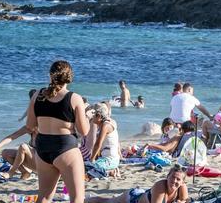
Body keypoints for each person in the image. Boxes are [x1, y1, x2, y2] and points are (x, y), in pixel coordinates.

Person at [28, 60, 90, 203]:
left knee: (44, 197)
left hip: (43, 147)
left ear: (50, 75)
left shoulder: (37, 95)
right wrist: (87, 116)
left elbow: (30, 125)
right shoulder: (74, 98)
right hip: (65, 148)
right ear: (69, 77)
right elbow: (84, 131)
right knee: (77, 198)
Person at [86, 164, 188, 203]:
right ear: (167, 176)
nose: (175, 181)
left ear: (182, 182)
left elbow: (184, 201)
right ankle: (85, 200)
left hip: (144, 194)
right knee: (108, 202)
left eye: (178, 179)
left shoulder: (182, 188)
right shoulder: (160, 186)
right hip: (133, 198)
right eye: (172, 177)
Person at [89, 103, 121, 175]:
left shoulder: (105, 125)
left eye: (94, 115)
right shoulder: (101, 126)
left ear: (99, 116)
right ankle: (109, 171)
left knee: (90, 168)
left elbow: (98, 144)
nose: (92, 117)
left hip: (111, 160)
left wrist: (91, 159)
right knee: (85, 167)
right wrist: (94, 159)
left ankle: (110, 172)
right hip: (105, 159)